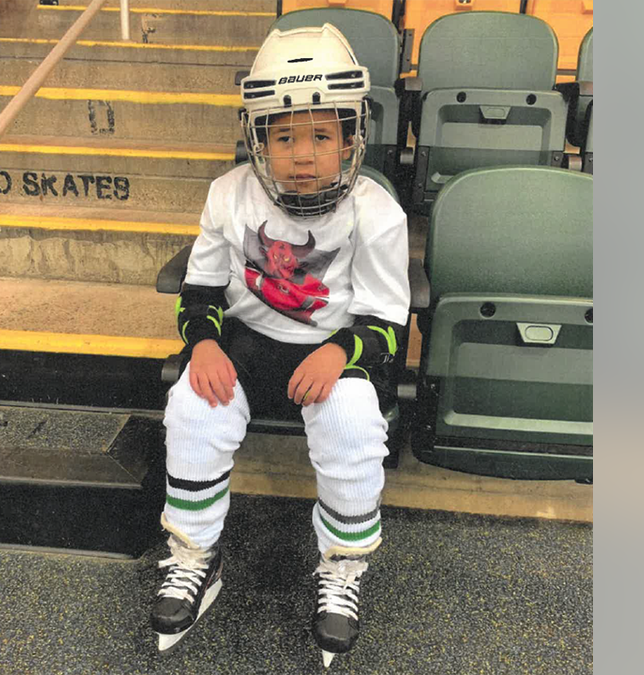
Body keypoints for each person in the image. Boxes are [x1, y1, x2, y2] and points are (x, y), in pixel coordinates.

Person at [149, 23, 410, 668]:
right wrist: (203, 348)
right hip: (243, 344)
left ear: (352, 136)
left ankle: (343, 568)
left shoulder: (377, 213)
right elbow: (200, 288)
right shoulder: (228, 194)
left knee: (353, 421)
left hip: (328, 351)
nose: (301, 153)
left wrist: (339, 355)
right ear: (257, 138)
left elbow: (387, 323)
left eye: (321, 135)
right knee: (191, 405)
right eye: (284, 135)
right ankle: (194, 556)